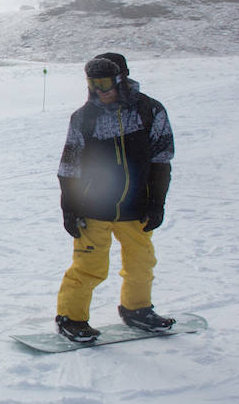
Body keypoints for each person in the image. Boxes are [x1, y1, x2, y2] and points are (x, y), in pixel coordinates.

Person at [54, 55, 175, 342]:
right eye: (93, 83)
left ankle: (137, 309)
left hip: (137, 208)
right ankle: (71, 318)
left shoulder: (149, 111)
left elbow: (162, 160)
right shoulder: (84, 118)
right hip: (93, 209)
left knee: (141, 263)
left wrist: (157, 203)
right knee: (89, 267)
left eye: (105, 83)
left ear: (122, 79)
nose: (99, 90)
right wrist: (69, 208)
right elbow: (69, 168)